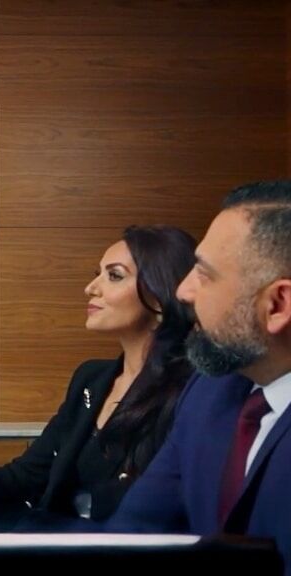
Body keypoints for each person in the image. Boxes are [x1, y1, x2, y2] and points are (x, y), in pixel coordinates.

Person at [0, 226, 197, 528]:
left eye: (113, 276)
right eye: (96, 274)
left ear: (159, 298)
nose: (91, 288)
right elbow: (28, 475)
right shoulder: (91, 379)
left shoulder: (190, 392)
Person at [110, 181, 291, 563]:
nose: (183, 291)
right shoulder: (208, 392)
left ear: (277, 305)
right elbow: (132, 536)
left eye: (205, 274)